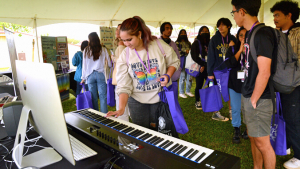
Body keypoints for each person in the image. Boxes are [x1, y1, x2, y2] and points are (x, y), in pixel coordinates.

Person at [106, 16, 179, 130]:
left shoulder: (158, 45)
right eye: (123, 40)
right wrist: (121, 108)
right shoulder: (125, 55)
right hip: (137, 102)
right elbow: (124, 85)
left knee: (163, 132)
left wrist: (168, 75)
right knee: (142, 134)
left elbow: (174, 62)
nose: (126, 44)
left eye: (129, 39)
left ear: (139, 34)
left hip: (160, 99)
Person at [232, 0, 276, 168]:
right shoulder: (251, 33)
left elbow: (265, 72)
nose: (234, 16)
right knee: (253, 137)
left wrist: (253, 99)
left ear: (242, 11)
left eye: (233, 12)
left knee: (263, 144)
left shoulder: (262, 34)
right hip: (250, 93)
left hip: (259, 97)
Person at [271, 1, 300, 168]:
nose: (274, 18)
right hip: (279, 84)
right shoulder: (276, 34)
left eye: (277, 15)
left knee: (294, 118)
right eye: (274, 15)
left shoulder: (297, 33)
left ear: (289, 15)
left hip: (294, 85)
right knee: (282, 115)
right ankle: (287, 144)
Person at [207, 18, 236, 121]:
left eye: (223, 25)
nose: (220, 27)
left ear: (228, 26)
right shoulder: (214, 39)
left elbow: (236, 54)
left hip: (229, 70)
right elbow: (210, 56)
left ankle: (231, 111)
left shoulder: (232, 38)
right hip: (217, 71)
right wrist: (210, 72)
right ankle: (215, 113)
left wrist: (233, 46)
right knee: (216, 91)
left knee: (230, 90)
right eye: (219, 25)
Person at [224, 27, 249, 143]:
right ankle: (236, 128)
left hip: (249, 83)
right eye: (241, 35)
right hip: (234, 83)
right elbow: (229, 64)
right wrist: (239, 51)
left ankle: (248, 129)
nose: (243, 38)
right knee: (235, 108)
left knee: (248, 108)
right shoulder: (232, 49)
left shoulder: (254, 48)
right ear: (237, 36)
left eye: (245, 35)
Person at [81, 32, 112, 113]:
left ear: (90, 40)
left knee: (93, 97)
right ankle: (104, 116)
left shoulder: (86, 50)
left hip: (90, 75)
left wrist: (83, 78)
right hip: (101, 74)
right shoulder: (104, 49)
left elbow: (84, 65)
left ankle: (96, 116)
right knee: (103, 97)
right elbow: (109, 64)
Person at [111, 24, 130, 122]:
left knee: (121, 105)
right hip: (121, 77)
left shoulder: (122, 44)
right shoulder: (121, 43)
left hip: (121, 78)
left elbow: (122, 61)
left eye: (118, 29)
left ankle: (124, 125)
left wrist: (114, 58)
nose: (116, 32)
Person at [159, 22, 181, 98]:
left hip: (173, 75)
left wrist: (178, 71)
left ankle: (173, 108)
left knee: (173, 96)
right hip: (161, 75)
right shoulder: (157, 43)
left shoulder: (173, 44)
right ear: (162, 30)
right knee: (162, 97)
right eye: (167, 28)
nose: (170, 30)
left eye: (171, 28)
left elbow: (178, 57)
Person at [190, 26, 210, 110]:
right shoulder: (196, 43)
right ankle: (197, 101)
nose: (205, 33)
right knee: (199, 84)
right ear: (199, 33)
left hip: (208, 67)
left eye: (207, 31)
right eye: (203, 31)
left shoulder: (210, 42)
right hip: (200, 67)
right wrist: (203, 64)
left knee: (210, 84)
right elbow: (194, 56)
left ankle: (209, 99)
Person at [175, 29, 194, 99]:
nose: (183, 34)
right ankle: (181, 92)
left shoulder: (188, 42)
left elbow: (192, 50)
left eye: (184, 33)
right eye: (182, 33)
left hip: (189, 61)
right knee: (182, 76)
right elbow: (177, 52)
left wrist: (189, 51)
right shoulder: (177, 43)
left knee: (189, 76)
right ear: (179, 34)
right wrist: (185, 51)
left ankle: (188, 91)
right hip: (182, 61)